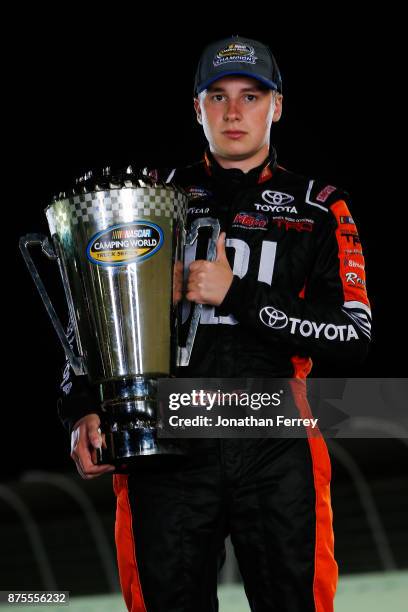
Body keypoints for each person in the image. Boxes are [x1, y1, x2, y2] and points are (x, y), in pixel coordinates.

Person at [59, 35, 372, 611]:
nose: (234, 112)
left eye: (252, 96)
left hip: (276, 444)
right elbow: (94, 315)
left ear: (277, 106)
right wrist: (80, 405)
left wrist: (236, 295)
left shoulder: (320, 206)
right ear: (196, 107)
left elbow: (353, 335)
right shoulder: (150, 199)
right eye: (218, 96)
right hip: (165, 445)